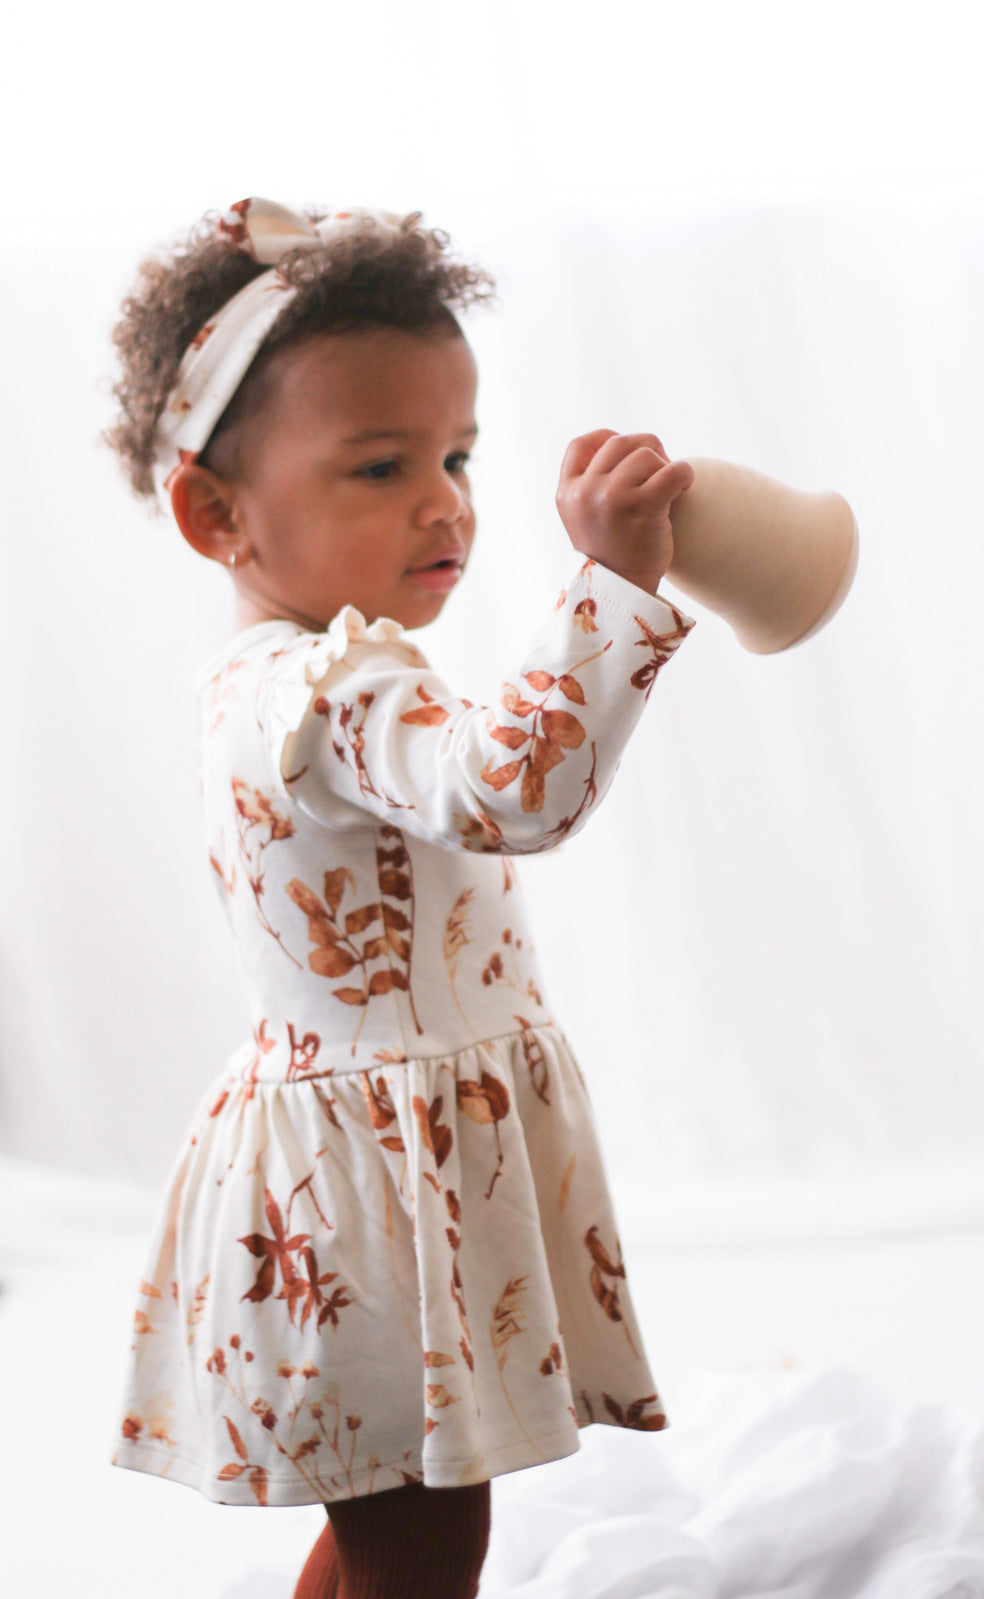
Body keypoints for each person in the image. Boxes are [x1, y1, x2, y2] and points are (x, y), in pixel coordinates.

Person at [105, 197, 697, 1599]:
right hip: (374, 1184)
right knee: (422, 1538)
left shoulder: (300, 674)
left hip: (381, 1152)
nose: (445, 500)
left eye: (456, 453)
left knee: (406, 1527)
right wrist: (611, 585)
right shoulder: (326, 690)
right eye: (380, 466)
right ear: (214, 514)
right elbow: (508, 791)